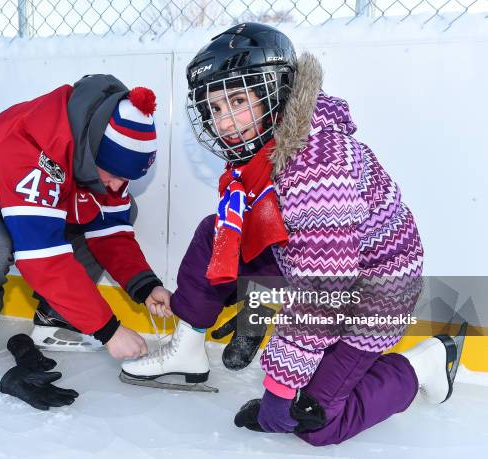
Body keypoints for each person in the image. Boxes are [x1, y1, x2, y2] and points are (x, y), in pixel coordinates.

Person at [121, 22, 467, 445]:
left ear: (273, 91)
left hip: (373, 296)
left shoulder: (316, 168)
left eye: (236, 100)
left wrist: (281, 389)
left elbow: (323, 292)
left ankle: (426, 363)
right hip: (314, 269)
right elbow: (265, 240)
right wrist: (258, 306)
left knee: (315, 424)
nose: (225, 120)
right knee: (218, 232)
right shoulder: (263, 145)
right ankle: (189, 346)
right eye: (214, 107)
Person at [0, 75, 171, 373]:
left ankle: (56, 316)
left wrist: (144, 284)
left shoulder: (94, 141)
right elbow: (43, 260)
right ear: (91, 154)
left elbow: (111, 229)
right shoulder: (30, 150)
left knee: (111, 207)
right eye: (113, 173)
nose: (118, 185)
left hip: (12, 194)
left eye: (125, 179)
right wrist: (108, 330)